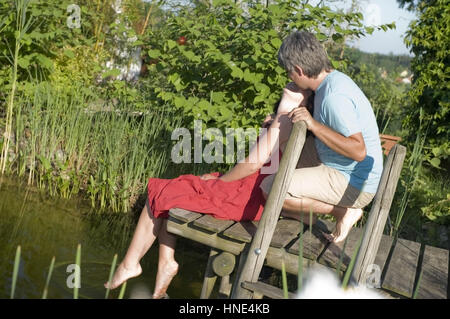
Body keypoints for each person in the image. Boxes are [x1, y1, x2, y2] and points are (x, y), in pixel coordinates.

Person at [103, 82, 313, 298]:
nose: (292, 81)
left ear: (306, 99)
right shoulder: (284, 119)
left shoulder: (285, 121)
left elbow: (253, 164)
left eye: (299, 85)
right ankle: (163, 264)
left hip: (248, 195)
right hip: (250, 189)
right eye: (291, 78)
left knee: (164, 191)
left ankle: (132, 264)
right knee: (175, 190)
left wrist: (221, 182)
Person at [259, 30, 383, 243]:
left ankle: (342, 212)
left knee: (270, 189)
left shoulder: (333, 98)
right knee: (281, 156)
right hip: (338, 163)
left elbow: (358, 151)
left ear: (299, 69)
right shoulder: (332, 81)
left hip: (354, 182)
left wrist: (313, 125)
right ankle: (299, 213)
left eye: (289, 72)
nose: (289, 77)